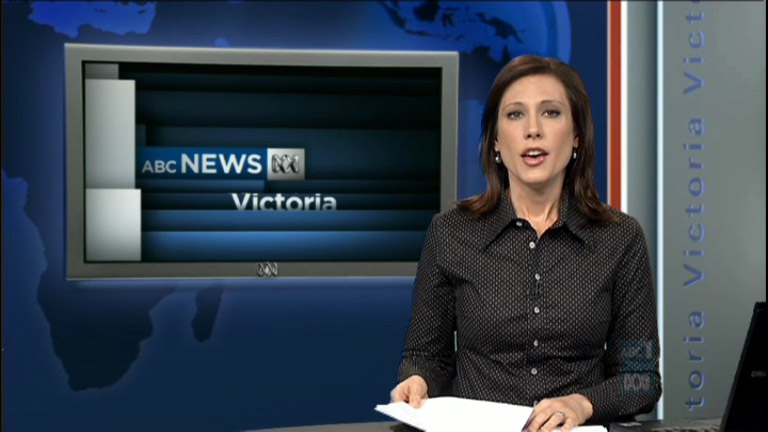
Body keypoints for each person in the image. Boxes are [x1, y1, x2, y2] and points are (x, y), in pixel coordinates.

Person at [391, 55, 661, 432]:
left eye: (550, 113)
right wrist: (417, 380)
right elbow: (425, 355)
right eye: (515, 115)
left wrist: (584, 404)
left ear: (577, 134)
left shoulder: (620, 238)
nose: (533, 130)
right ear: (496, 140)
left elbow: (641, 379)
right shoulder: (450, 233)